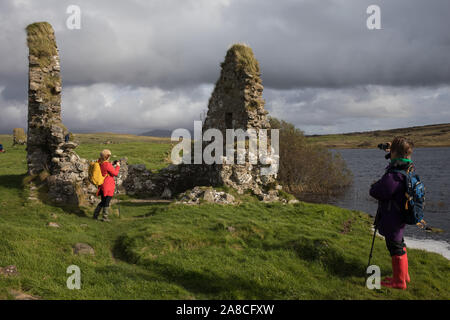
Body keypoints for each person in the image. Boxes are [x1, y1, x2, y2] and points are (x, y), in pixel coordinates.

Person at [369, 136, 414, 290]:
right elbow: (397, 163)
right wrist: (393, 151)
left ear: (395, 152)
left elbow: (380, 191)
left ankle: (399, 282)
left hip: (392, 215)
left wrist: (374, 186)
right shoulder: (407, 167)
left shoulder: (395, 175)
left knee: (395, 246)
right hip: (400, 214)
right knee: (400, 243)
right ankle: (403, 276)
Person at [93, 149, 120, 222]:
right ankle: (105, 217)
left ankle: (95, 216)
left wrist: (112, 164)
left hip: (102, 185)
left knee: (103, 201)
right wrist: (117, 166)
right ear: (107, 156)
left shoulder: (100, 163)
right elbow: (115, 173)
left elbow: (106, 169)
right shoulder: (107, 164)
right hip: (108, 185)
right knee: (106, 201)